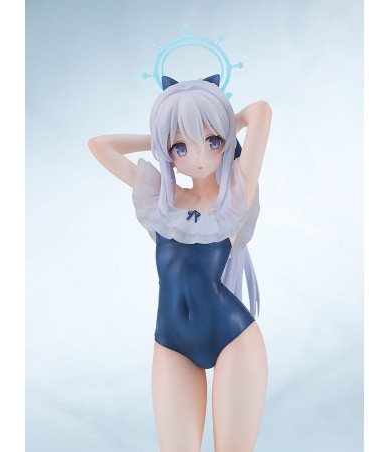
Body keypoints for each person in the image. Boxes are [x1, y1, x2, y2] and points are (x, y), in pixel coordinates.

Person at [88, 75, 272, 452]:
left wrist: (221, 121)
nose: (199, 156)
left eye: (212, 141)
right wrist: (161, 137)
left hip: (233, 338)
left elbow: (260, 112)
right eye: (181, 147)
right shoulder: (163, 200)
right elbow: (99, 145)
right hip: (172, 343)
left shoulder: (236, 195)